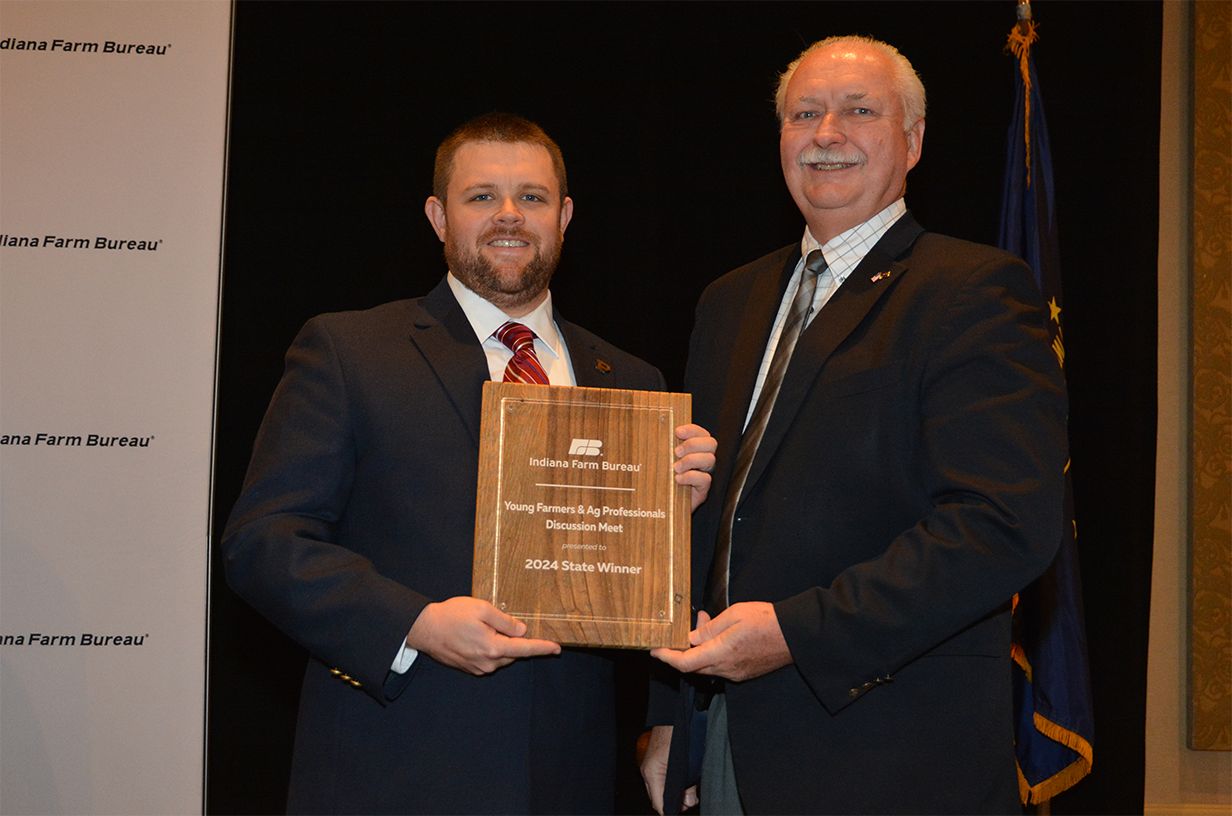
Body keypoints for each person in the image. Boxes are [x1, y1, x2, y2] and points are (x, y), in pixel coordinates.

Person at [223, 112, 716, 816]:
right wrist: (415, 623)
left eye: (532, 197)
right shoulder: (350, 351)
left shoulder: (632, 380)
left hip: (565, 776)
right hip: (391, 767)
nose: (509, 215)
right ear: (438, 217)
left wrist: (669, 519)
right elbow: (263, 543)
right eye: (482, 196)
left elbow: (645, 597)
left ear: (564, 217)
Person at [640, 36, 1068, 815]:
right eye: (804, 114)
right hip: (726, 739)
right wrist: (670, 719)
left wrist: (796, 633)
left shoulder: (974, 292)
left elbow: (1003, 527)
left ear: (913, 140)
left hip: (889, 759)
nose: (826, 133)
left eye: (859, 111)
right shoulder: (728, 302)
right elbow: (704, 523)